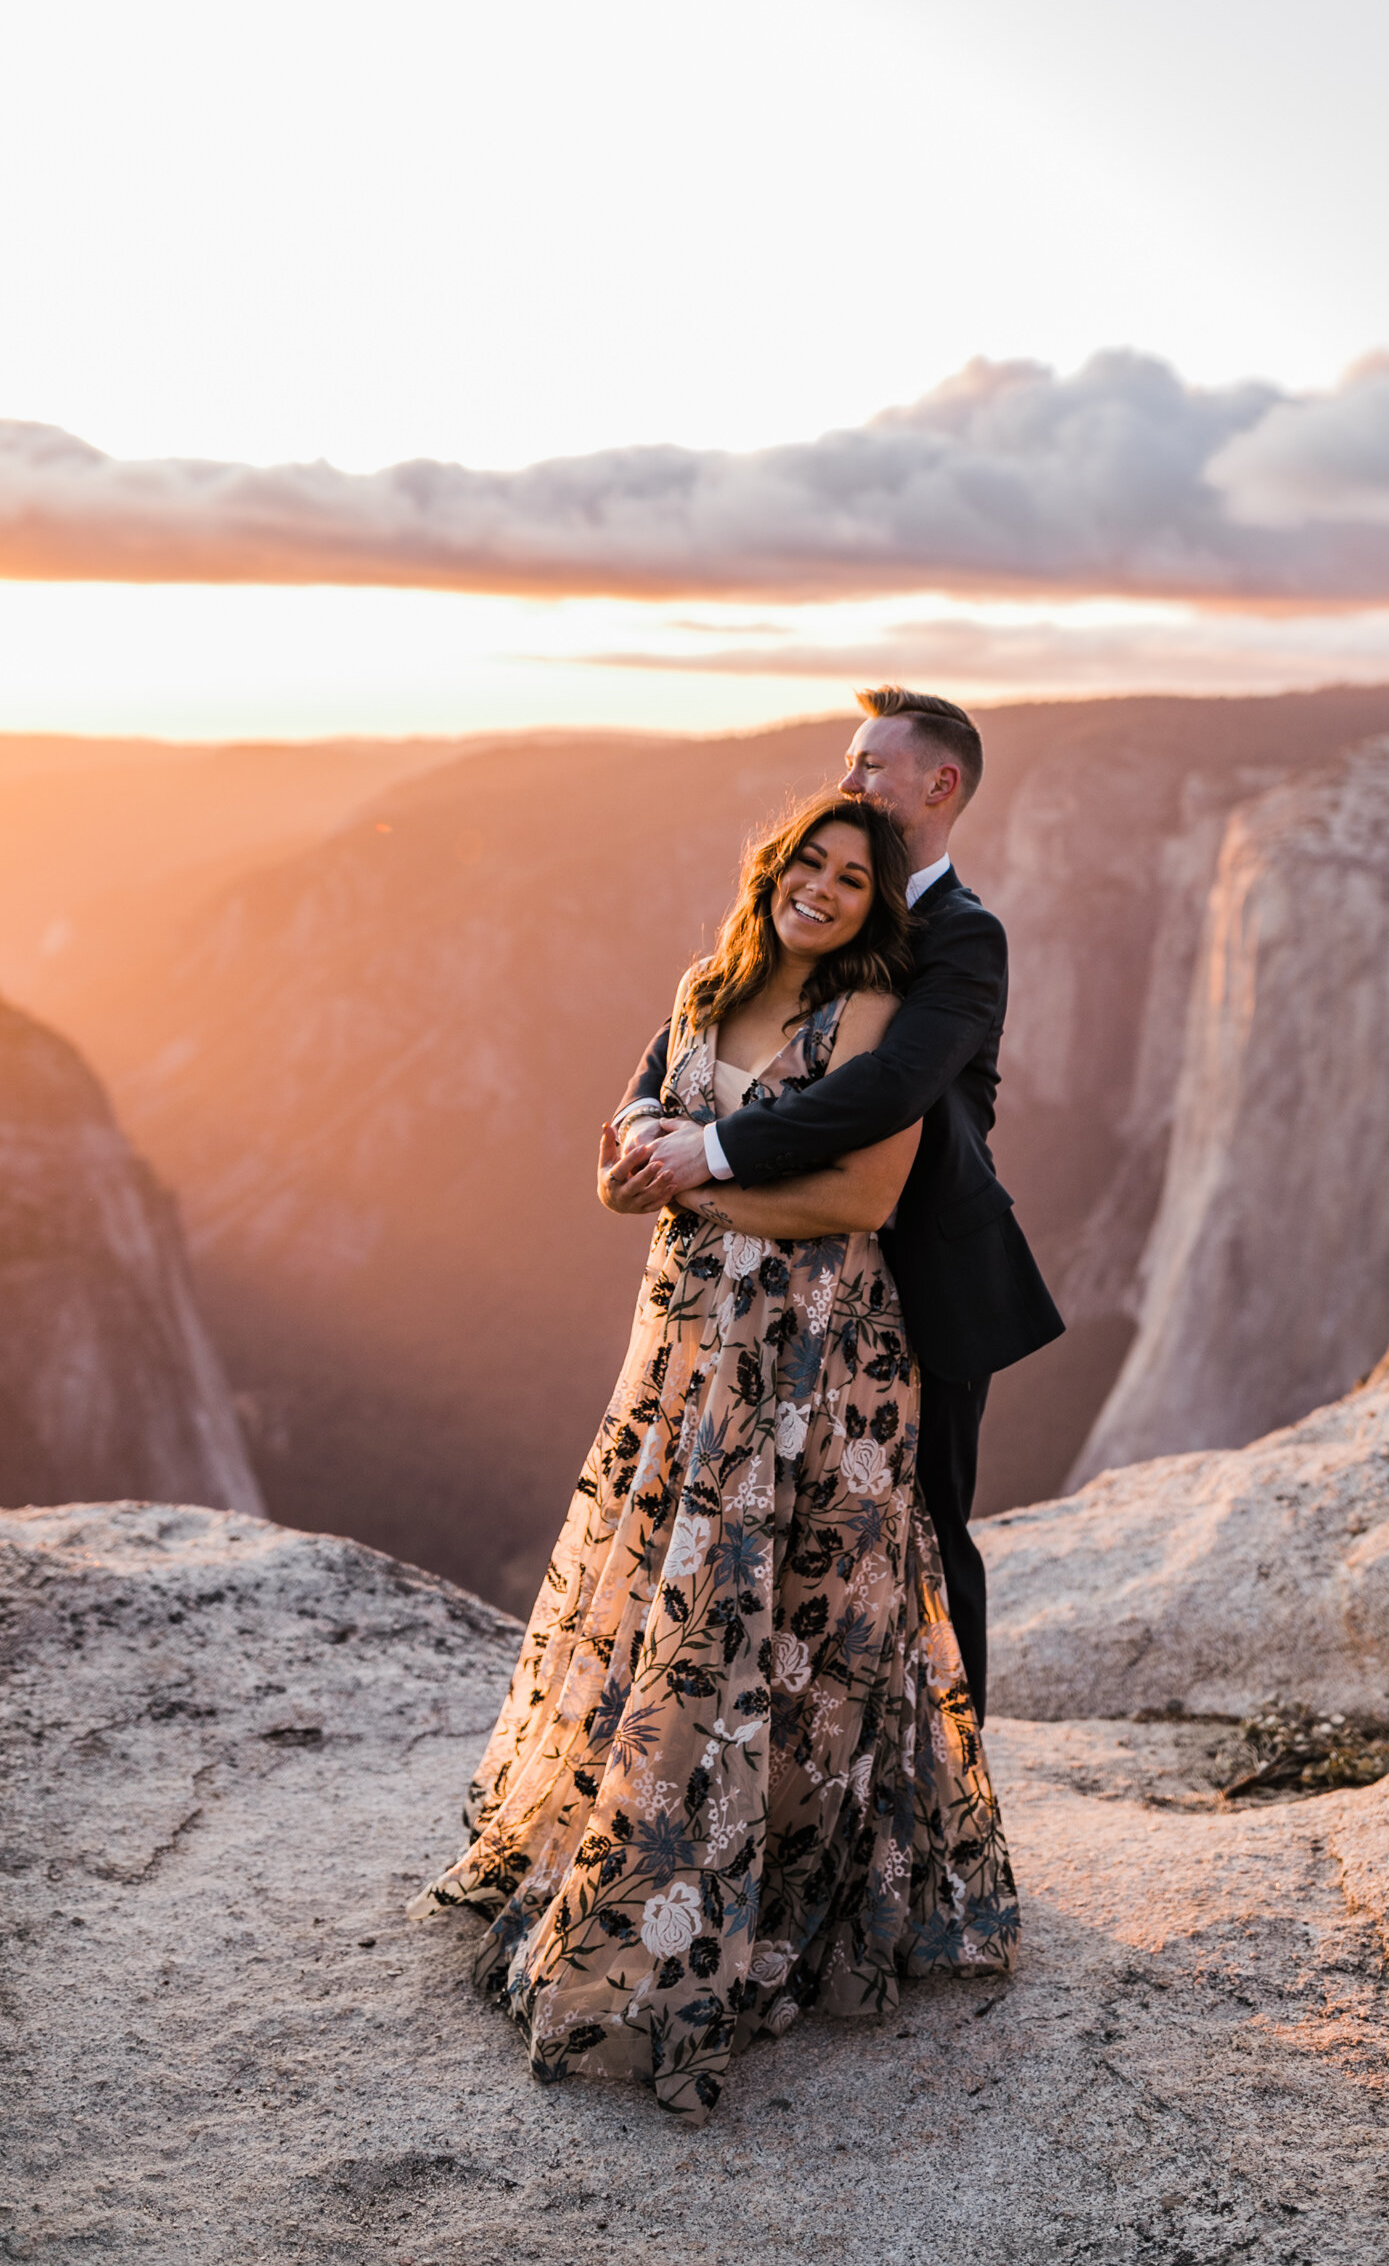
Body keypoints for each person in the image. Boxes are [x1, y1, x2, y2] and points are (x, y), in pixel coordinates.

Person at [412, 792, 1018, 2120]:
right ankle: (625, 1856)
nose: (820, 887)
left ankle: (743, 1910)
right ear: (773, 865)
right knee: (672, 1604)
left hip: (814, 1370)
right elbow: (616, 1147)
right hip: (684, 1350)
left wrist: (691, 1185)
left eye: (852, 877)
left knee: (780, 1625)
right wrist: (633, 1174)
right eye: (807, 859)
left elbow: (862, 1199)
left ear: (875, 905)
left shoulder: (861, 1017)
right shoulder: (703, 986)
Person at [619, 687, 1064, 1723]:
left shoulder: (964, 937)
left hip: (920, 1274)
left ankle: (950, 1785)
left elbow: (884, 1090)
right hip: (782, 1287)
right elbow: (686, 1038)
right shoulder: (821, 902)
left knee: (924, 1529)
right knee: (784, 1525)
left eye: (868, 762)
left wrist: (712, 1153)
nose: (848, 779)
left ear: (938, 784)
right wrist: (642, 1131)